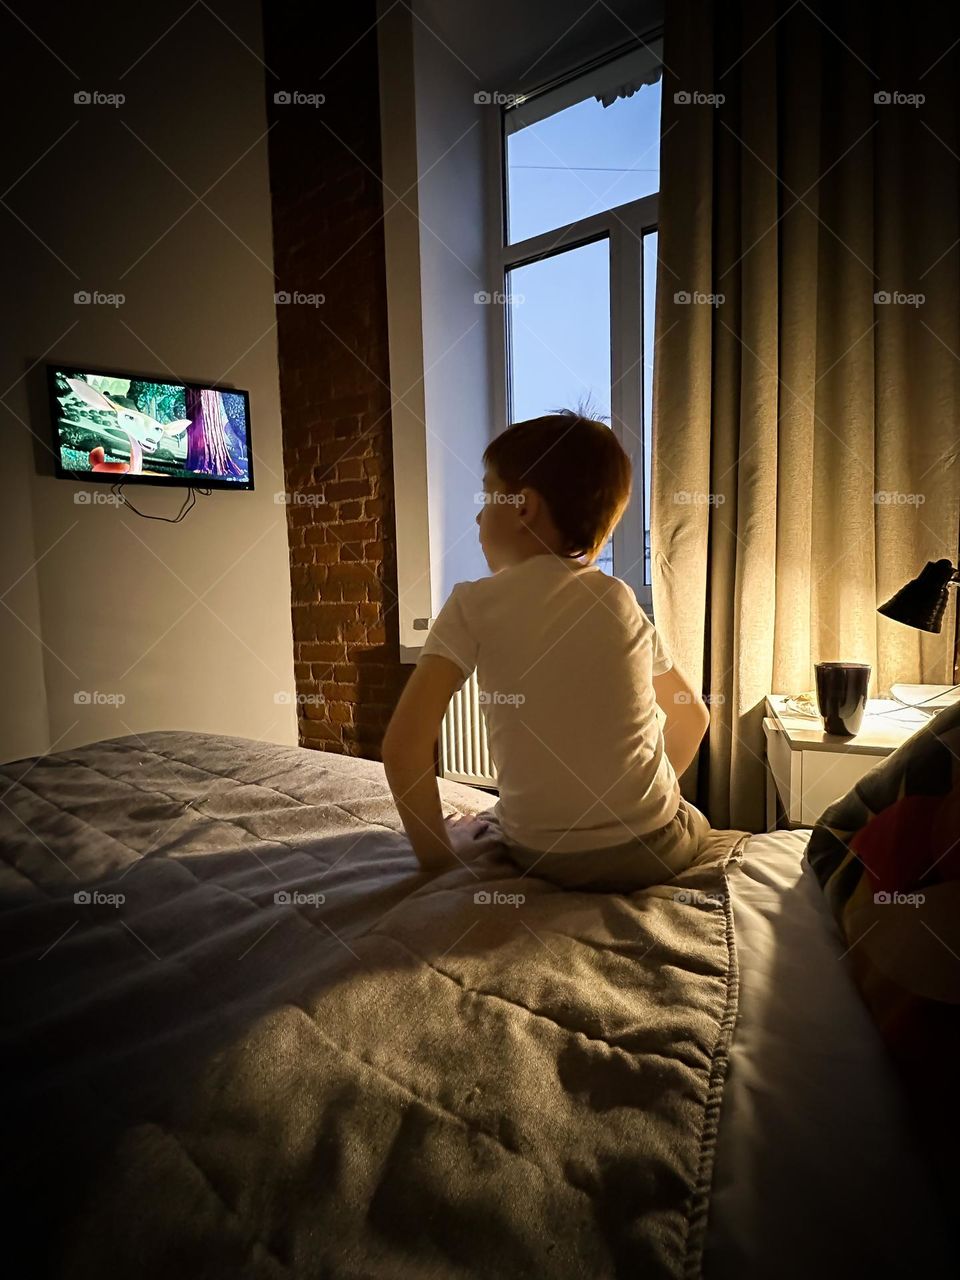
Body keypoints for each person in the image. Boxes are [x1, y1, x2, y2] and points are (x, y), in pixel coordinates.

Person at [382, 409, 712, 892]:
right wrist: (643, 805)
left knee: (486, 817)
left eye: (488, 494)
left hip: (540, 856)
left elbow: (404, 745)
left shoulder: (472, 602)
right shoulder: (619, 597)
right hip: (654, 852)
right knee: (693, 819)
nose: (477, 514)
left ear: (522, 507)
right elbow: (693, 717)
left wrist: (438, 861)